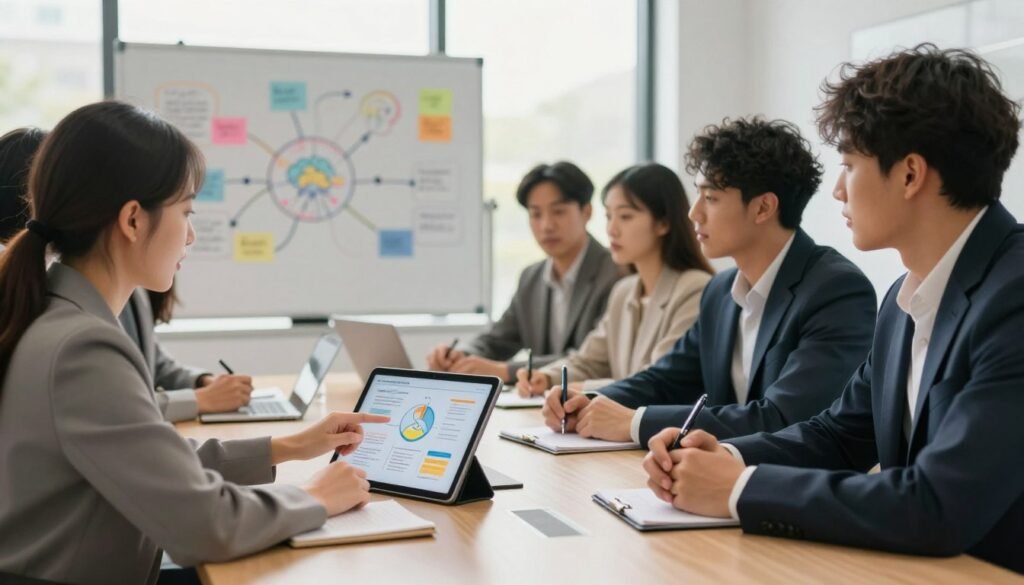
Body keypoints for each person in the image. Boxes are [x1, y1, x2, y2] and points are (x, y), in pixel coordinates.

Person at [643, 45, 1024, 573]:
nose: (839, 190)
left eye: (849, 166)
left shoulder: (1014, 297)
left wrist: (740, 489)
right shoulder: (902, 300)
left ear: (910, 175)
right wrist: (726, 457)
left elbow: (937, 504)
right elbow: (839, 434)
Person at [0, 101, 388, 584]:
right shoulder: (83, 348)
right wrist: (316, 496)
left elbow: (152, 461)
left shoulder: (58, 316)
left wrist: (290, 445)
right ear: (134, 221)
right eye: (185, 211)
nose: (191, 234)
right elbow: (207, 525)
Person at [542, 117, 876, 444]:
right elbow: (666, 380)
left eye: (711, 198)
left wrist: (634, 422)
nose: (693, 213)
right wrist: (590, 399)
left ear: (763, 208)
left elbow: (783, 418)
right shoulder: (720, 290)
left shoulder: (835, 291)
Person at [0, 126, 253, 422]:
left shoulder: (117, 273)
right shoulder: (58, 309)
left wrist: (200, 383)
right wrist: (197, 401)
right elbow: (104, 404)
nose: (190, 235)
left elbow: (148, 363)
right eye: (185, 213)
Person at [516, 163, 712, 396]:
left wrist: (578, 389)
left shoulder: (695, 289)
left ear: (663, 223)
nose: (612, 229)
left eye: (626, 216)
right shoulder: (624, 290)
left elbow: (657, 380)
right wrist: (547, 376)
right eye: (609, 216)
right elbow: (588, 361)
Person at [426, 161, 624, 382]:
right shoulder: (532, 277)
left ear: (586, 212)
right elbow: (496, 339)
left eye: (558, 212)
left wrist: (507, 371)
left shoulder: (616, 274)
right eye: (535, 214)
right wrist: (461, 354)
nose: (546, 225)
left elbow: (591, 359)